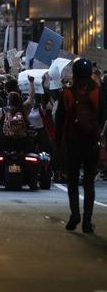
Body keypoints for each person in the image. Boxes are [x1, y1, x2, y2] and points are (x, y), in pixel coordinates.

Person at [58, 58, 104, 234]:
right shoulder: (97, 92)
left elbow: (60, 119)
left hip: (72, 141)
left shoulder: (67, 93)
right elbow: (102, 116)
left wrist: (59, 144)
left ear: (75, 74)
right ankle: (87, 220)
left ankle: (75, 213)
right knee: (89, 182)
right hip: (91, 141)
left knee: (72, 180)